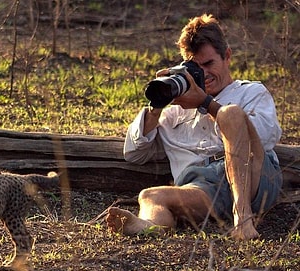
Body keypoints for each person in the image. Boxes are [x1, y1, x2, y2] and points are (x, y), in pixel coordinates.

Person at [105, 14, 282, 240]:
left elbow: (265, 138)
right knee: (150, 196)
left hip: (253, 177)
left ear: (227, 56)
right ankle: (147, 226)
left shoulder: (251, 92)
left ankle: (243, 219)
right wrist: (159, 101)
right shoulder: (174, 111)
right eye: (196, 69)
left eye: (209, 64)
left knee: (230, 113)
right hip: (202, 188)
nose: (205, 74)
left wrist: (206, 104)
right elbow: (133, 153)